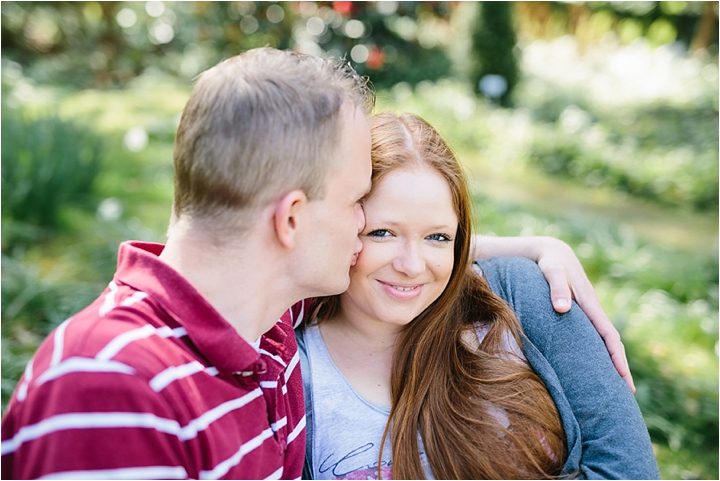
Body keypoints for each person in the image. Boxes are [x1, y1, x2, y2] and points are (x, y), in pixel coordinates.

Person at [1, 47, 629, 479]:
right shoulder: (109, 385)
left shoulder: (264, 331)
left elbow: (406, 263)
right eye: (363, 207)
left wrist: (530, 248)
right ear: (293, 221)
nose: (366, 231)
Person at [297, 113, 660, 479]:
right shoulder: (293, 369)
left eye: (437, 237)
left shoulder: (522, 292)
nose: (411, 265)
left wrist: (536, 246)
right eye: (382, 233)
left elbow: (629, 471)